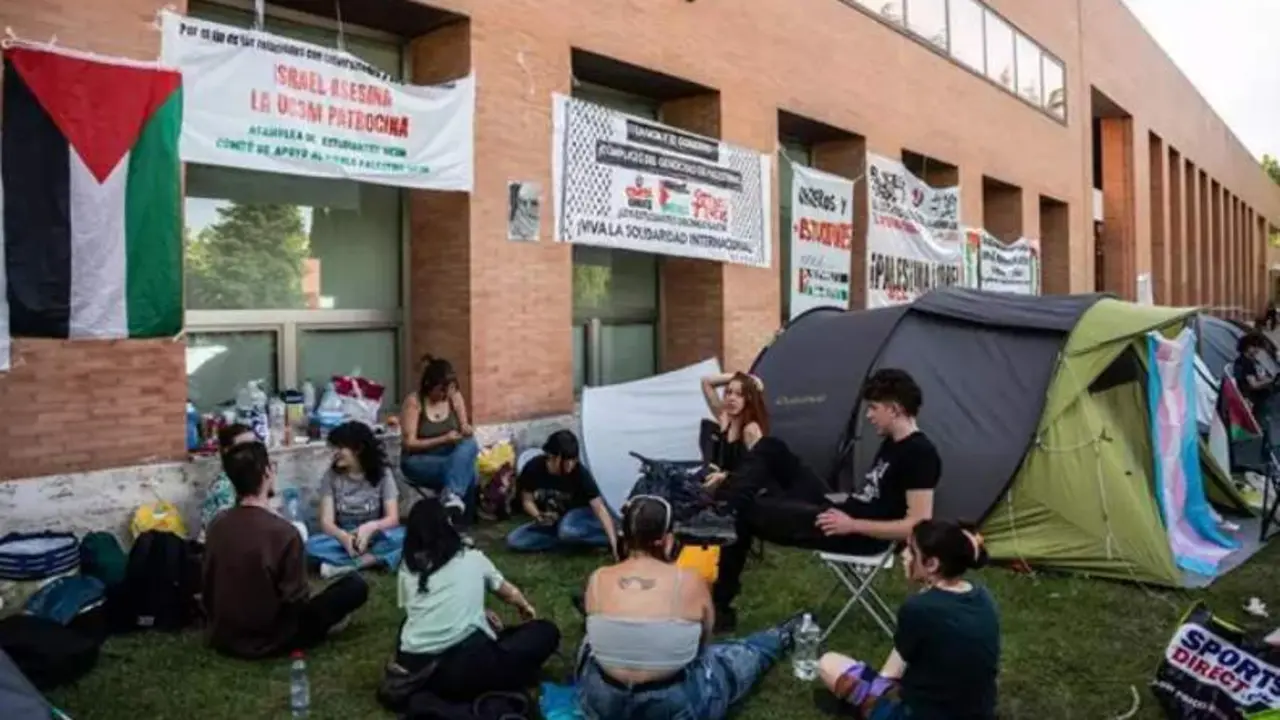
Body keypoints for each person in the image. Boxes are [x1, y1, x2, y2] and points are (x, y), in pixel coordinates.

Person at [713, 368, 940, 631]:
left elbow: (918, 524)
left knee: (745, 512)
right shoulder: (893, 442)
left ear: (895, 409)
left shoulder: (921, 453)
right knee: (771, 447)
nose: (868, 416)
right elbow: (874, 495)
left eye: (874, 408)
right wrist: (843, 503)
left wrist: (852, 525)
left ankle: (721, 604)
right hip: (841, 508)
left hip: (855, 533)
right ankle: (721, 508)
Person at [577, 495, 804, 720]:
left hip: (603, 702)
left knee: (589, 643)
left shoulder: (598, 578)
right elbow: (704, 643)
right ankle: (782, 635)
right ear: (667, 539)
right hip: (673, 705)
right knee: (734, 657)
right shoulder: (689, 581)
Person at [818, 519, 1000, 720]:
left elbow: (891, 673)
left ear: (932, 564)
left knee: (829, 663)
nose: (904, 555)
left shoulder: (919, 608)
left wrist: (874, 696)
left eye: (911, 550)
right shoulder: (983, 597)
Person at [203, 441, 369, 659]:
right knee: (354, 586)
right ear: (267, 472)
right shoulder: (284, 533)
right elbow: (295, 601)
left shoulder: (217, 525)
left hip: (224, 635)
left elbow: (207, 586)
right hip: (273, 638)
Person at [395, 498, 560, 701]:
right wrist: (525, 607)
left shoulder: (406, 566)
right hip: (461, 669)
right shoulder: (471, 558)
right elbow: (509, 593)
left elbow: (417, 610)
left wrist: (478, 614)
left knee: (408, 623)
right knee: (544, 631)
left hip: (413, 664)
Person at [306, 421, 405, 578]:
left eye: (340, 448)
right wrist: (344, 538)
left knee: (404, 537)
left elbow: (393, 518)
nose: (335, 453)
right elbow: (326, 523)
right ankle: (375, 560)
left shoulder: (383, 474)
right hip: (344, 538)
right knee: (310, 546)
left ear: (358, 449)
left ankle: (347, 567)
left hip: (375, 536)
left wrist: (370, 528)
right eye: (334, 448)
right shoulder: (331, 477)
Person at [506, 430, 618, 556]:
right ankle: (573, 543)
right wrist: (538, 516)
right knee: (515, 540)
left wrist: (614, 543)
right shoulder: (533, 467)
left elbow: (599, 507)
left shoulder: (580, 473)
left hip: (578, 519)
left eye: (573, 460)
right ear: (552, 457)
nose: (570, 465)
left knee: (567, 530)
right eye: (566, 461)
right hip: (555, 521)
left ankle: (611, 538)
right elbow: (527, 500)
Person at [400, 356, 480, 514]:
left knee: (470, 444)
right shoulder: (414, 402)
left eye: (449, 391)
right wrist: (443, 439)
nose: (444, 396)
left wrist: (465, 429)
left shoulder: (454, 397)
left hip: (450, 454)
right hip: (419, 459)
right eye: (441, 391)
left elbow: (464, 426)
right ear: (430, 385)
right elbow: (410, 443)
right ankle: (458, 521)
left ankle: (452, 499)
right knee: (467, 471)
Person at [699, 371, 767, 489]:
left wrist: (725, 476)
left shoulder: (750, 429)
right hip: (720, 489)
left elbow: (758, 471)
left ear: (749, 399)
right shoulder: (724, 419)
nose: (731, 398)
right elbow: (706, 382)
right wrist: (746, 378)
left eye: (739, 395)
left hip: (741, 493)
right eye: (728, 393)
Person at [199, 423, 256, 541]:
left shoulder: (248, 479)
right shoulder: (224, 488)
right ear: (227, 451)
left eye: (254, 446)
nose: (253, 453)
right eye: (243, 447)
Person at [1234, 332, 1278, 422]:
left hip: (1262, 397)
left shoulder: (1253, 361)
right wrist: (1272, 380)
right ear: (1247, 347)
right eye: (1255, 346)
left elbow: (1260, 378)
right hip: (1255, 400)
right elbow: (1253, 385)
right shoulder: (1244, 363)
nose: (1257, 350)